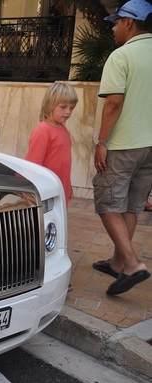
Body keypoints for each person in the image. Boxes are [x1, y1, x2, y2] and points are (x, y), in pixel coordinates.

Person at [92, 0, 152, 296]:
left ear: (130, 23)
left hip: (124, 144)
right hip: (150, 147)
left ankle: (132, 263)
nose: (114, 28)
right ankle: (117, 262)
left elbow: (114, 103)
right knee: (130, 204)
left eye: (117, 22)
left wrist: (102, 143)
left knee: (106, 201)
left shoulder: (122, 56)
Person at [25, 82, 78, 207]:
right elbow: (33, 165)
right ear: (50, 105)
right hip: (46, 192)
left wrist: (68, 184)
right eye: (63, 107)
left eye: (71, 108)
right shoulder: (43, 131)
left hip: (59, 188)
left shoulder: (63, 129)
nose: (68, 112)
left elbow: (64, 162)